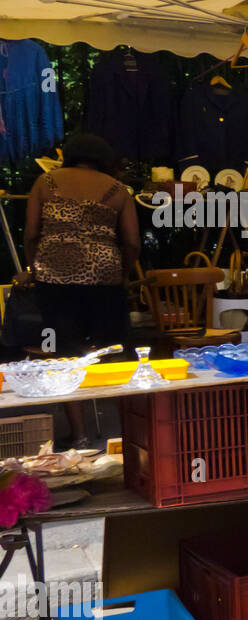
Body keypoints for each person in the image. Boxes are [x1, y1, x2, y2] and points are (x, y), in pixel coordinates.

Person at [21, 132, 139, 447]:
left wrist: (35, 267)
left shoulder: (46, 183)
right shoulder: (117, 190)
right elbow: (131, 241)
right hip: (104, 277)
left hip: (54, 278)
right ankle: (127, 434)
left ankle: (81, 435)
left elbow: (31, 232)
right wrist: (122, 272)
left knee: (65, 355)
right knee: (113, 352)